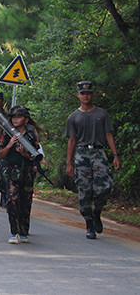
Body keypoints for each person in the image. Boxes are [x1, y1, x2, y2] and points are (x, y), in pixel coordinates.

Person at [66, 81, 121, 239]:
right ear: (78, 95)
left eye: (88, 93)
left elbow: (109, 135)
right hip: (82, 154)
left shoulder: (101, 114)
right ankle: (89, 223)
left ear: (92, 94)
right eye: (82, 93)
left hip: (99, 153)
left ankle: (97, 211)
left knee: (104, 187)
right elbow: (71, 140)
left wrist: (115, 155)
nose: (86, 96)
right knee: (84, 190)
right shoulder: (74, 117)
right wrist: (69, 163)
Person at [0, 105, 43, 244]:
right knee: (12, 201)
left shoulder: (31, 133)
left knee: (25, 201)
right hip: (12, 171)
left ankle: (23, 231)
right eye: (13, 117)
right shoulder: (7, 133)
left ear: (26, 119)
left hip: (27, 172)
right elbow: (0, 155)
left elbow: (36, 156)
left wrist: (24, 153)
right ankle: (14, 231)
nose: (15, 119)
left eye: (18, 117)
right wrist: (10, 145)